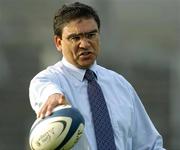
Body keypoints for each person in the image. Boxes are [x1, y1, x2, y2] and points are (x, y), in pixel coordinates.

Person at [29, 2, 166, 150]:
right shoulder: (49, 80)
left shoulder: (120, 85)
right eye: (75, 38)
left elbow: (149, 145)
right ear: (58, 42)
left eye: (91, 35)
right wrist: (53, 94)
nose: (85, 44)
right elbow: (43, 87)